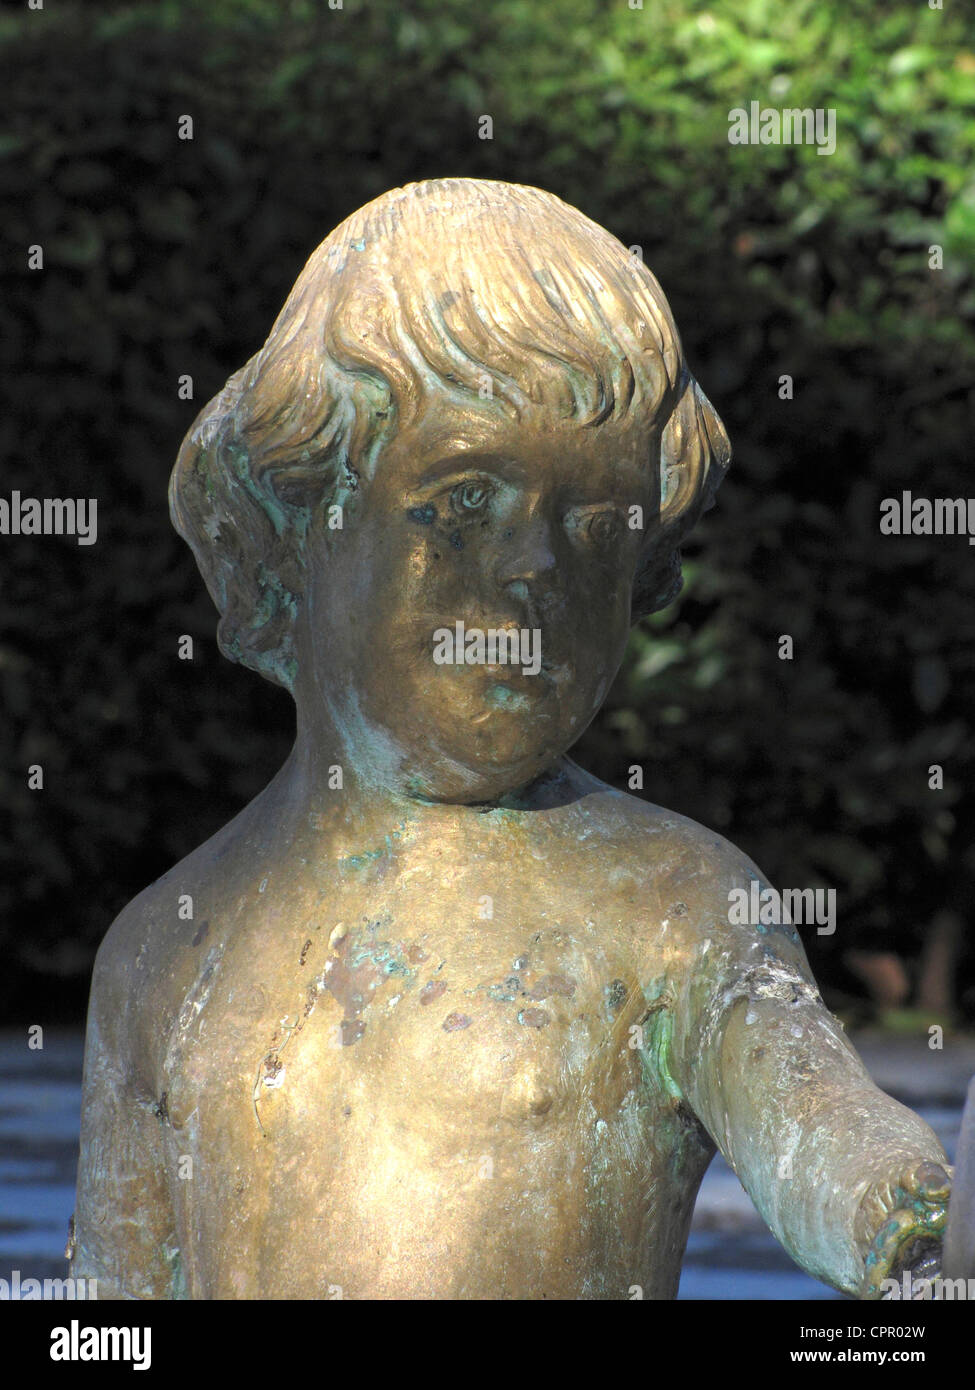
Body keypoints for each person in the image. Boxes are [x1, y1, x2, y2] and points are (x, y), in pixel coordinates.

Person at [71, 178, 950, 1299]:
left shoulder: (674, 905)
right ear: (294, 532)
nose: (537, 565)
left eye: (592, 523)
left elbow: (816, 1123)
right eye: (462, 499)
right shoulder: (160, 952)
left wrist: (904, 1219)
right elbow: (111, 1301)